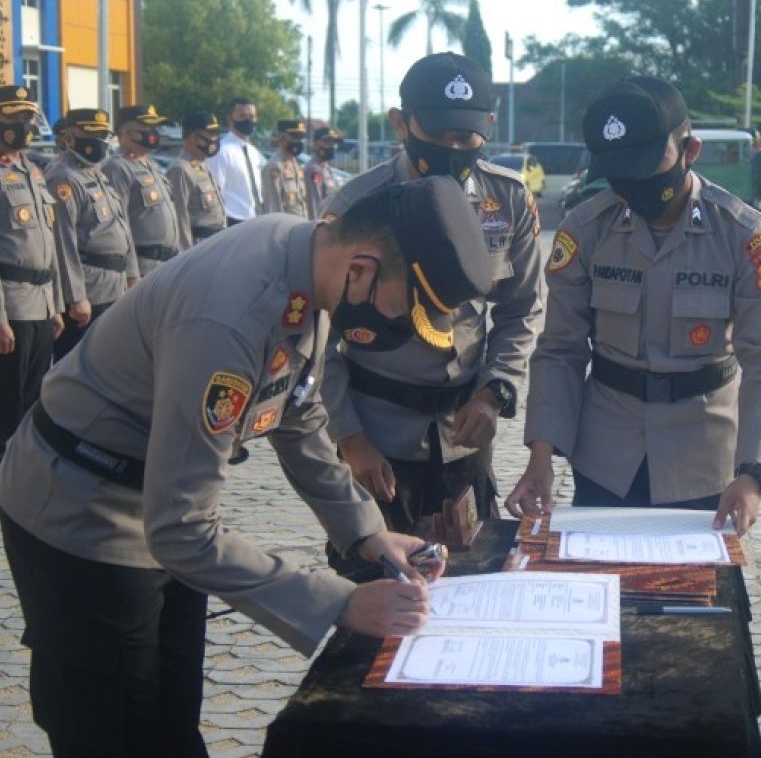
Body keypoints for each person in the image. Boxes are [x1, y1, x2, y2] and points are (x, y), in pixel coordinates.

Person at [0, 175, 491, 757]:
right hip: (81, 510)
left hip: (157, 499)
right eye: (403, 312)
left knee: (171, 722)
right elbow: (182, 531)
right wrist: (339, 603)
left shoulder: (307, 261)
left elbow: (297, 410)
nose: (402, 330)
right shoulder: (229, 319)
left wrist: (366, 531)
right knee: (114, 727)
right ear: (362, 268)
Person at [505, 76, 761, 536]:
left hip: (702, 459)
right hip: (605, 456)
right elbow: (561, 349)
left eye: (645, 165)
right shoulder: (586, 229)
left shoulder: (744, 238)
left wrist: (754, 472)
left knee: (694, 600)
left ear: (690, 150)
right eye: (620, 174)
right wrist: (541, 456)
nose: (633, 186)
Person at [320, 52, 544, 550]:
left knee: (472, 572)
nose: (452, 149)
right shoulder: (355, 208)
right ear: (401, 122)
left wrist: (496, 392)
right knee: (377, 579)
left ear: (488, 125)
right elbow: (319, 338)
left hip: (465, 430)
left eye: (466, 138)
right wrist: (350, 438)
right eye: (438, 135)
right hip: (378, 434)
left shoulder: (507, 200)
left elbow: (521, 308)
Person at [0, 85, 64, 458]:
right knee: (6, 408)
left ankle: (22, 487)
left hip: (40, 305)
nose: (26, 126)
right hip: (13, 307)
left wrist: (55, 305)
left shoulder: (33, 171)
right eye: (17, 119)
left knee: (31, 406)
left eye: (29, 119)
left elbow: (49, 245)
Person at [45, 108, 138, 359]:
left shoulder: (97, 173)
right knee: (79, 364)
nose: (98, 141)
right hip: (90, 289)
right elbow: (63, 242)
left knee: (109, 362)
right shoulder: (63, 177)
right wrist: (76, 297)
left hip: (114, 285)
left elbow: (121, 225)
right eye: (91, 134)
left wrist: (131, 275)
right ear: (70, 137)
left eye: (102, 134)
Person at [103, 104, 188, 275]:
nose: (152, 133)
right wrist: (131, 273)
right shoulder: (117, 167)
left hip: (169, 261)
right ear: (125, 133)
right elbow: (122, 224)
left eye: (154, 127)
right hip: (145, 265)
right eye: (146, 128)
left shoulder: (152, 166)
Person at [167, 111, 228, 243]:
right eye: (211, 134)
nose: (215, 139)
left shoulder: (203, 167)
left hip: (215, 243)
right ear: (195, 138)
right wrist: (186, 258)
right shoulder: (180, 170)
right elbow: (180, 219)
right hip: (198, 247)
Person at [206, 97, 263, 225]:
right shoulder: (221, 151)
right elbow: (216, 193)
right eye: (242, 116)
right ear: (230, 119)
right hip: (233, 222)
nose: (248, 120)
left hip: (256, 220)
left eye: (251, 116)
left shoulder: (255, 153)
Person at [262, 119, 309, 217]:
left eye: (300, 137)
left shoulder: (296, 165)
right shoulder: (274, 166)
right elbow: (272, 208)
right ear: (282, 139)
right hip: (286, 229)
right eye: (294, 137)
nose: (298, 141)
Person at [305, 126, 343, 219]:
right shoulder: (313, 169)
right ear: (316, 143)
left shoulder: (326, 168)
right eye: (328, 142)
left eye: (334, 142)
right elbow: (315, 204)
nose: (333, 146)